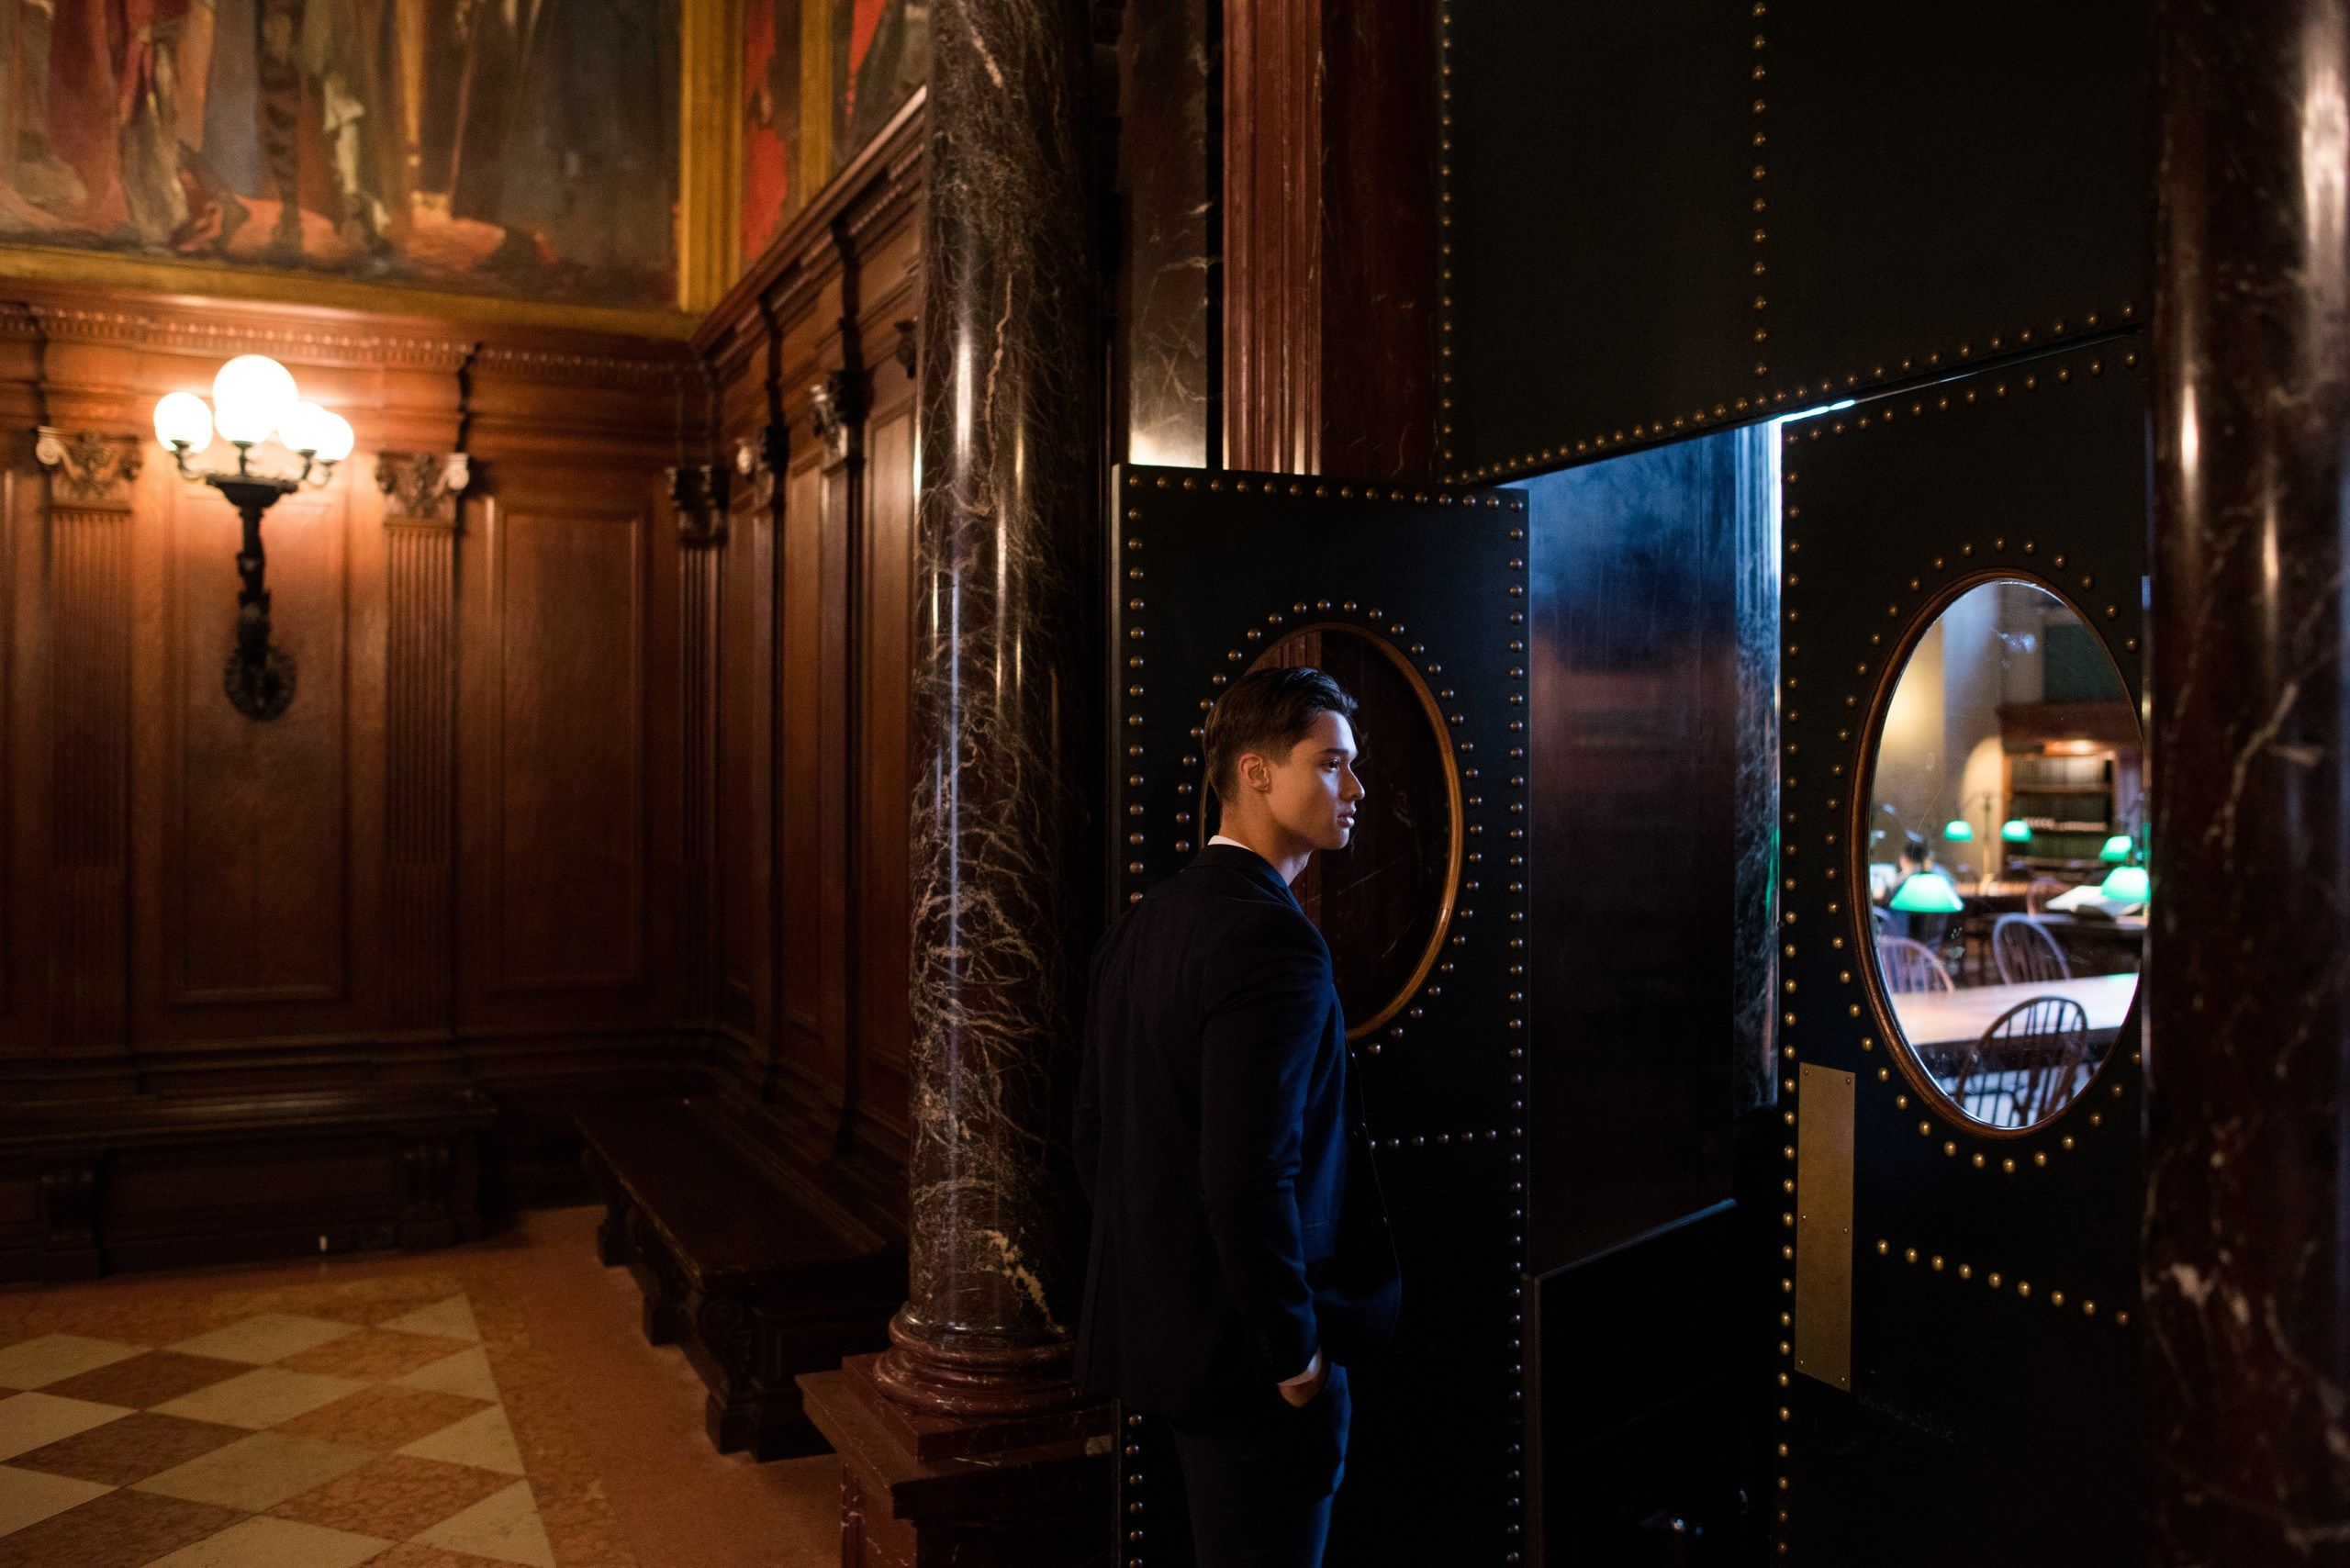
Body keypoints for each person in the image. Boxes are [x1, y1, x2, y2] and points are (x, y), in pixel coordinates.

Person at [1075, 666, 1401, 1568]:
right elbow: (1247, 1174)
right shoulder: (1271, 940)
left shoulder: (1145, 923)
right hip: (1254, 1365)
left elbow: (1095, 1141)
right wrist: (1295, 1358)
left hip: (1167, 1346)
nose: (1356, 788)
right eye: (1331, 763)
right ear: (1256, 771)